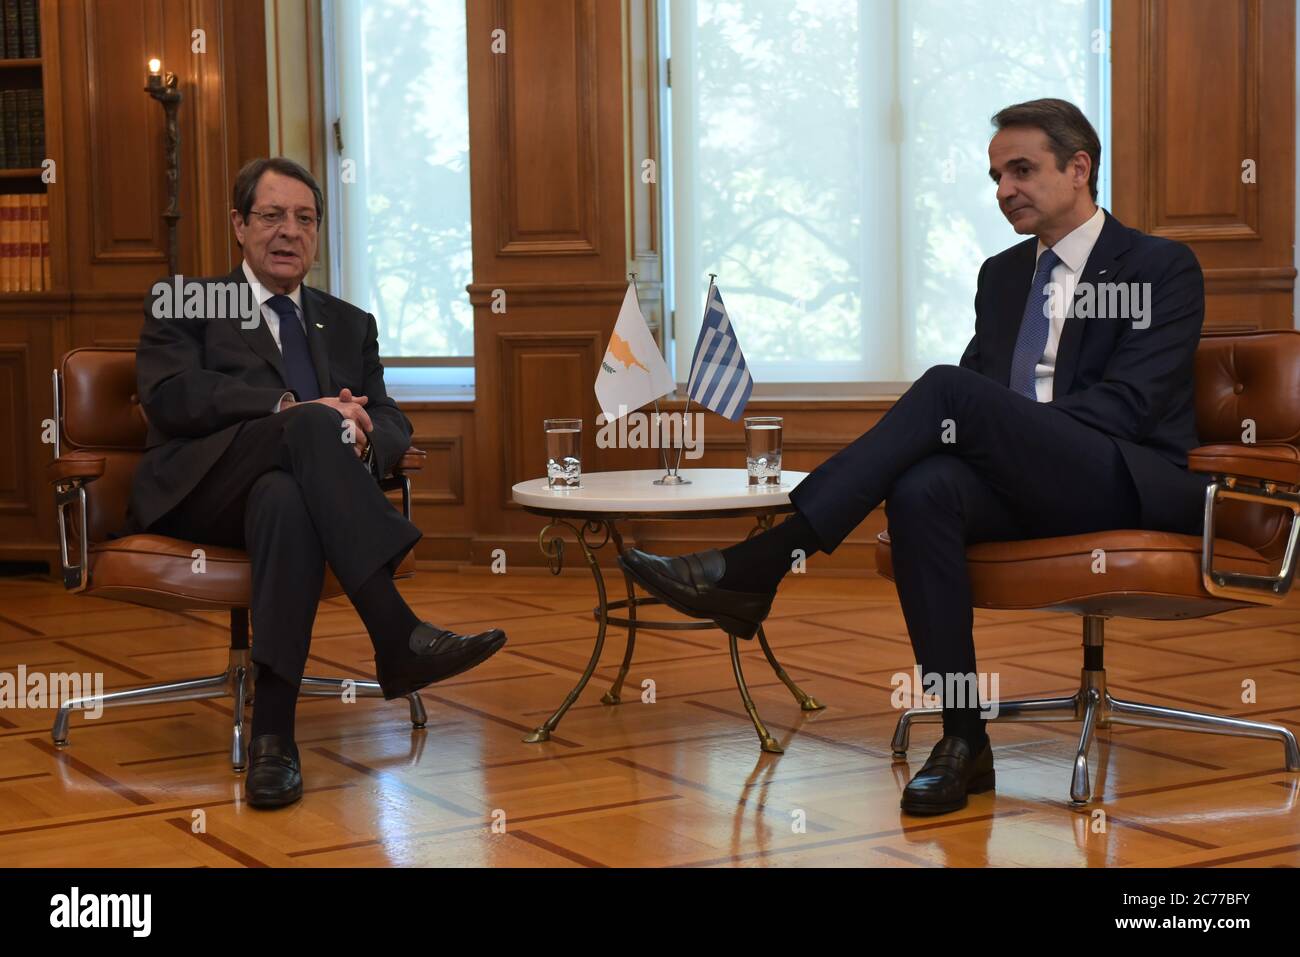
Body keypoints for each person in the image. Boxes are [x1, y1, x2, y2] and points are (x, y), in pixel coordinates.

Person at [619, 98, 1213, 816]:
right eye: (995, 176)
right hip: (1025, 483)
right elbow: (970, 411)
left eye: (1021, 170)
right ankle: (965, 738)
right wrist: (999, 431)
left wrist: (1012, 427)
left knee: (944, 391)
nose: (1003, 191)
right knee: (926, 486)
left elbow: (1129, 406)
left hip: (1122, 478)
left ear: (1079, 167)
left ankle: (763, 561)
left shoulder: (1159, 266)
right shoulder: (1000, 276)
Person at [126, 157, 508, 809]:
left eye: (304, 218)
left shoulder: (348, 322)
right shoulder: (189, 301)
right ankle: (395, 630)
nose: (289, 231)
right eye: (272, 215)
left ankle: (274, 739)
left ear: (318, 232)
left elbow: (391, 417)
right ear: (238, 225)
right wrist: (287, 409)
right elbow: (172, 396)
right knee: (306, 423)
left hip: (295, 498)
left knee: (287, 499)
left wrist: (363, 432)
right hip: (199, 491)